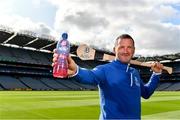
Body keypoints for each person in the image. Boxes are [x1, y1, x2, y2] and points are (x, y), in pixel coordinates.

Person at [52, 34, 163, 119]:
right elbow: (90, 76)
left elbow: (146, 93)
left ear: (133, 51)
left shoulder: (135, 73)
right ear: (114, 50)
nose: (125, 51)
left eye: (129, 47)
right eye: (121, 47)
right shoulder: (104, 70)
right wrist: (76, 70)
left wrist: (156, 74)